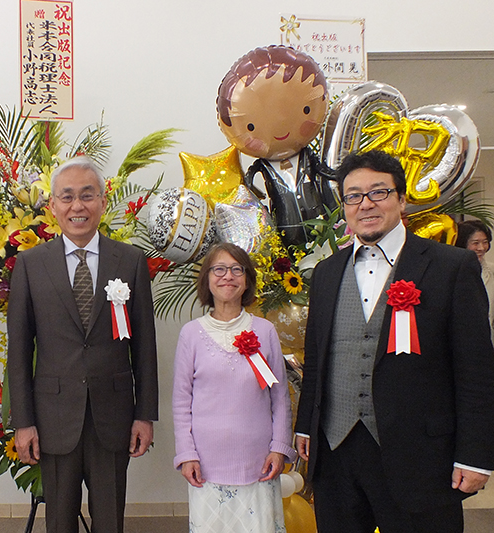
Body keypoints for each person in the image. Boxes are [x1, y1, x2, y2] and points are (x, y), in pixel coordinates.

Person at [295, 150, 494, 533]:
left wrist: (476, 455)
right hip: (336, 453)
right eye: (353, 195)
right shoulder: (325, 272)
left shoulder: (451, 267)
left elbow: (476, 371)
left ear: (401, 199)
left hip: (420, 457)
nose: (365, 204)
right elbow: (318, 359)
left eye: (378, 192)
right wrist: (306, 427)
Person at [8, 156, 158, 533]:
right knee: (59, 520)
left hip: (114, 413)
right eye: (68, 197)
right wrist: (23, 422)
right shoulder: (29, 264)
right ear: (53, 206)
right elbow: (20, 351)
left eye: (87, 196)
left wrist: (145, 414)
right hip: (54, 416)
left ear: (103, 202)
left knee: (110, 519)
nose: (78, 206)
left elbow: (144, 346)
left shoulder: (131, 260)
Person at [173, 242, 294, 532]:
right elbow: (181, 401)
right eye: (219, 269)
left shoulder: (264, 330)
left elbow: (280, 398)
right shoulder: (191, 334)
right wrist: (186, 454)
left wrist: (279, 448)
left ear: (247, 279)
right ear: (207, 279)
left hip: (259, 462)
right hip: (207, 465)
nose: (228, 276)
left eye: (237, 269)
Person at [217, 45, 339, 247]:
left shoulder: (311, 159)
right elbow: (248, 193)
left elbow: (327, 173)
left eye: (306, 110)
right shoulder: (260, 169)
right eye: (251, 127)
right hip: (284, 231)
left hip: (324, 232)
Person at [455, 219, 494, 345]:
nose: (481, 248)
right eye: (475, 243)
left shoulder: (492, 271)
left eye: (485, 242)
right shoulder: (450, 272)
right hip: (462, 341)